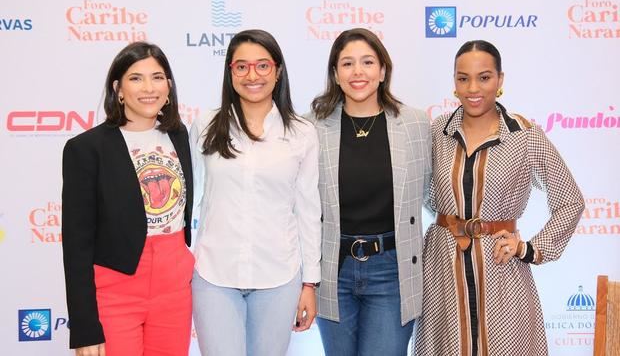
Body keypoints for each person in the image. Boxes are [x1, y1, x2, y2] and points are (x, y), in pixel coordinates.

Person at [414, 40, 585, 355]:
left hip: (501, 269)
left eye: (484, 77)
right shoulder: (438, 131)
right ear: (454, 82)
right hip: (443, 271)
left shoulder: (523, 135)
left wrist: (529, 248)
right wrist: (449, 223)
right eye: (463, 78)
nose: (473, 88)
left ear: (500, 80)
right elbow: (425, 193)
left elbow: (570, 200)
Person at [190, 29, 321, 356]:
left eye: (263, 66)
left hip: (279, 276)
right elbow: (186, 200)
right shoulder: (206, 126)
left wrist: (310, 284)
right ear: (230, 72)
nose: (253, 75)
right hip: (214, 275)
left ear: (277, 72)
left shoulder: (302, 133)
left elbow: (308, 211)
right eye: (242, 66)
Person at [62, 42, 194, 355]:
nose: (149, 88)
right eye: (136, 78)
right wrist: (84, 327)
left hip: (174, 288)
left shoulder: (179, 135)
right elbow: (77, 244)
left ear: (169, 86)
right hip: (115, 289)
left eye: (157, 77)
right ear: (118, 89)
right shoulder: (86, 148)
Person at [309, 28, 432, 355]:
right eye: (347, 64)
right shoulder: (311, 127)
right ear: (335, 74)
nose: (358, 72)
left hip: (391, 270)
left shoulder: (416, 124)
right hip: (333, 272)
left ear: (382, 70)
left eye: (367, 62)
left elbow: (434, 189)